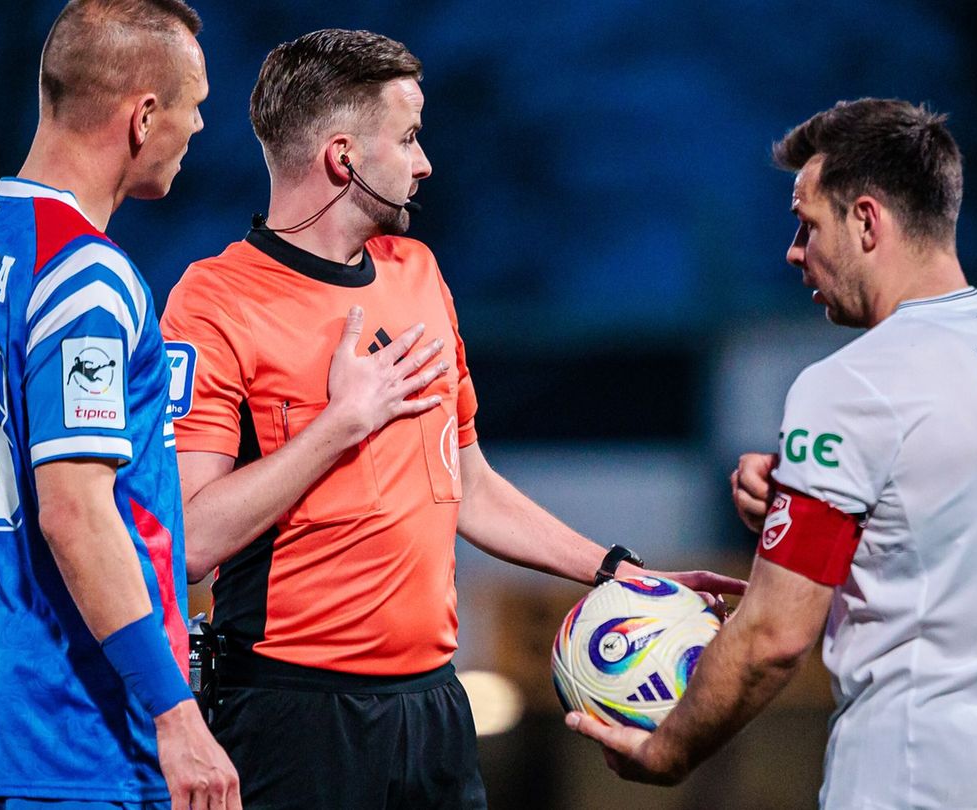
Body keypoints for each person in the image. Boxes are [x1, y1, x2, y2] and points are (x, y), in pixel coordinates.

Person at [157, 28, 745, 809]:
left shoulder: (420, 274)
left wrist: (616, 572)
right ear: (343, 158)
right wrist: (340, 424)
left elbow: (468, 484)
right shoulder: (214, 301)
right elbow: (191, 540)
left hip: (433, 710)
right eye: (406, 137)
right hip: (293, 716)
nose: (423, 161)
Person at [567, 98, 977, 808]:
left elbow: (774, 637)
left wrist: (668, 749)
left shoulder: (853, 384)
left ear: (867, 221)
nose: (793, 250)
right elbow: (947, 515)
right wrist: (801, 499)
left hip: (914, 785)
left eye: (807, 223)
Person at [0, 2, 240, 808]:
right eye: (194, 105)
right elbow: (74, 511)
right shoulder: (84, 277)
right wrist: (176, 715)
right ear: (143, 118)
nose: (202, 125)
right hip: (81, 747)